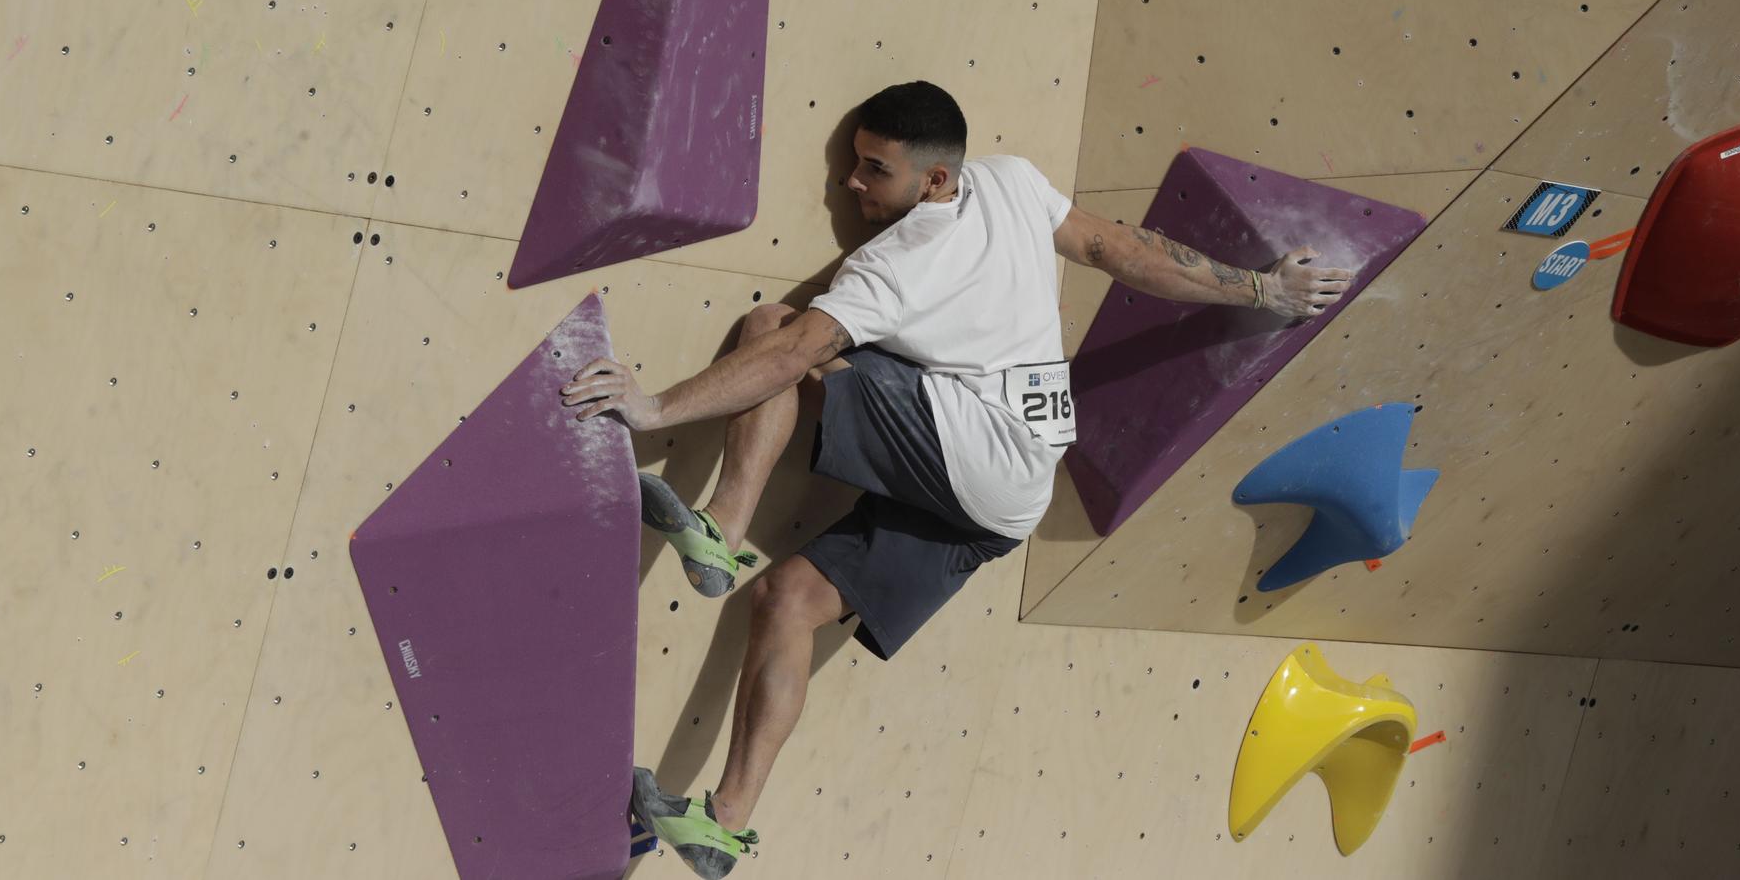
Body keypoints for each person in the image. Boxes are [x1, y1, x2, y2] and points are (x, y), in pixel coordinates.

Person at [559, 80, 1353, 878]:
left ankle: (722, 530)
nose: (852, 184)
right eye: (854, 163)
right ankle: (726, 821)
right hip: (1009, 506)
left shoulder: (896, 261)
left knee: (774, 329)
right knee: (788, 600)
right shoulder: (1011, 180)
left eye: (875, 169)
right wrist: (1259, 288)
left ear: (935, 180)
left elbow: (792, 355)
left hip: (973, 454)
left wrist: (654, 406)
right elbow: (1120, 247)